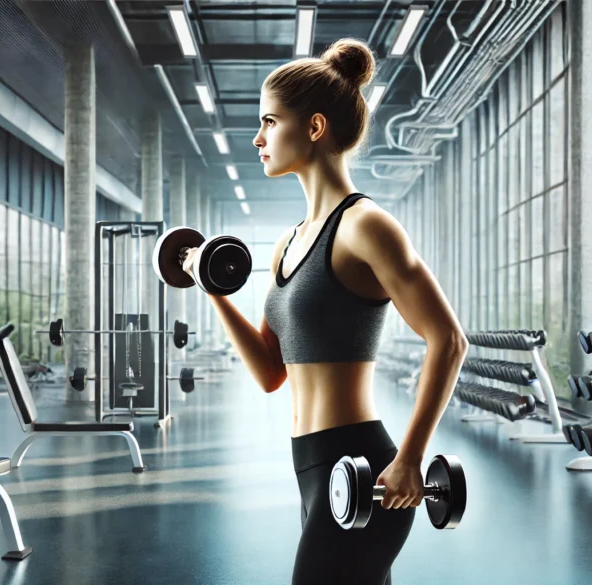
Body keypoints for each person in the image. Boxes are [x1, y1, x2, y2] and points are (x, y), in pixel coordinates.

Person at [183, 38, 467, 585]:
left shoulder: (367, 226)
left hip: (362, 463)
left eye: (270, 121)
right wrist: (213, 289)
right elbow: (270, 371)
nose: (258, 138)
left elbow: (448, 340)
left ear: (314, 129)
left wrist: (409, 459)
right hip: (311, 468)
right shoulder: (287, 244)